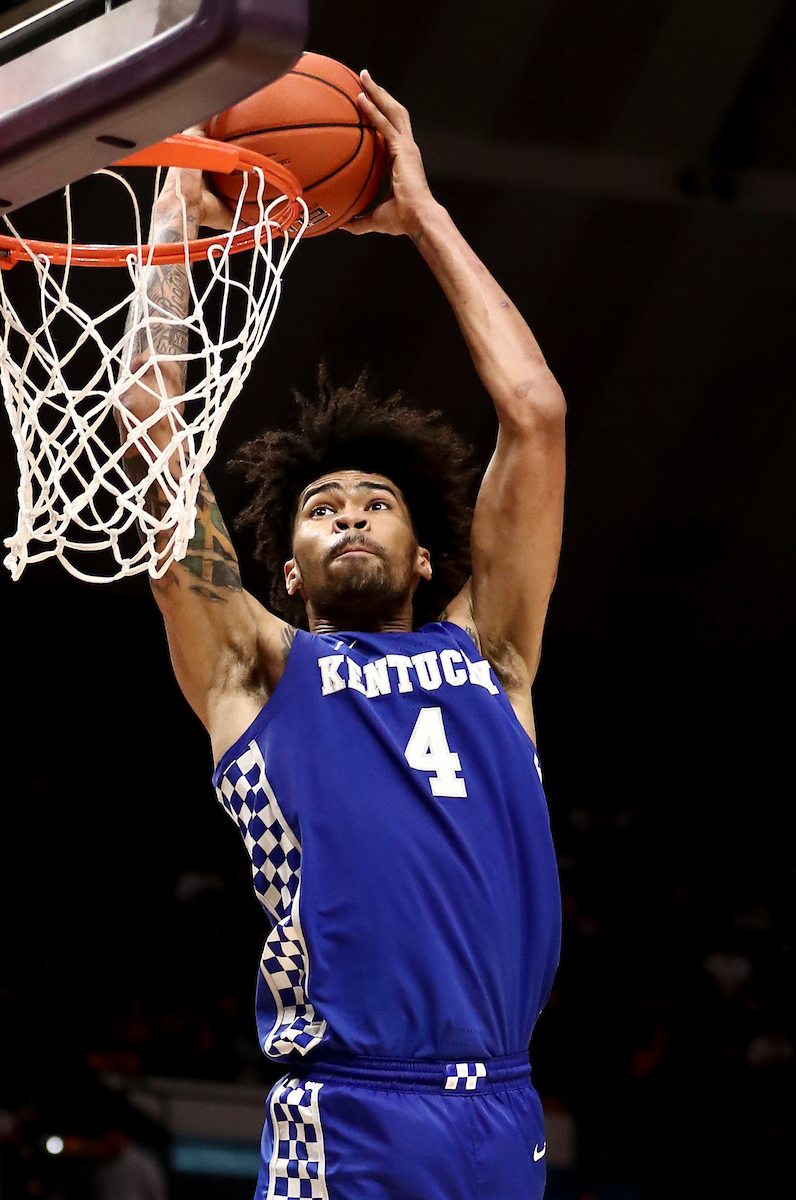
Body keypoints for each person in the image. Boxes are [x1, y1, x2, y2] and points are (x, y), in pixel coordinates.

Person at [120, 70, 565, 1200]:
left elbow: (536, 413)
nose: (350, 513)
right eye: (323, 509)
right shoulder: (257, 667)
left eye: (375, 502)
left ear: (428, 557)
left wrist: (421, 211)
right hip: (352, 1109)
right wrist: (176, 214)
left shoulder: (493, 659)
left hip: (506, 1111)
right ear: (284, 569)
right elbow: (147, 422)